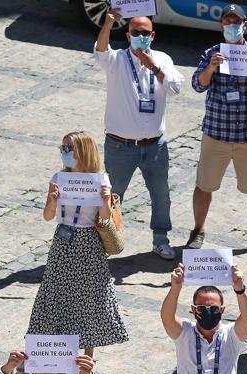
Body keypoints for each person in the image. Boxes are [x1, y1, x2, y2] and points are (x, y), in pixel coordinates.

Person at [188, 3, 247, 257]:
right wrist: (211, 68)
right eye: (227, 22)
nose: (231, 26)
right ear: (221, 26)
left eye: (236, 22)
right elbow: (197, 84)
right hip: (216, 134)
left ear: (245, 25)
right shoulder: (212, 52)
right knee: (204, 185)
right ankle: (198, 230)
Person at [94, 8, 184, 260]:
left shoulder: (162, 59)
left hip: (155, 145)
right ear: (128, 34)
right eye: (136, 32)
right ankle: (105, 242)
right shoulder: (118, 60)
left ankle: (160, 239)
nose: (141, 36)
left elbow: (176, 87)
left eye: (145, 33)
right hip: (121, 146)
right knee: (113, 196)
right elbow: (101, 52)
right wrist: (107, 24)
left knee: (160, 194)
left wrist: (154, 67)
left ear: (152, 36)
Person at [31, 131, 129, 356]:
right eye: (63, 148)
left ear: (82, 151)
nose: (64, 153)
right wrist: (53, 201)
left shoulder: (100, 179)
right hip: (63, 240)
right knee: (55, 293)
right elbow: (47, 216)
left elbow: (104, 219)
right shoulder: (58, 178)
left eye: (69, 149)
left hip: (89, 242)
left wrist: (105, 201)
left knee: (90, 295)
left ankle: (87, 357)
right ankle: (52, 354)